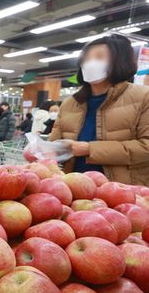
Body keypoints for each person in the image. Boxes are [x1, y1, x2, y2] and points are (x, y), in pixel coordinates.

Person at [50, 34, 149, 184]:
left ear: (119, 60)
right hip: (73, 191)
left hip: (123, 194)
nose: (90, 63)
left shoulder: (143, 97)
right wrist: (41, 150)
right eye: (86, 58)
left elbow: (146, 147)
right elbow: (54, 145)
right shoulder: (70, 103)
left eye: (99, 57)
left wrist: (90, 149)